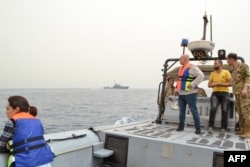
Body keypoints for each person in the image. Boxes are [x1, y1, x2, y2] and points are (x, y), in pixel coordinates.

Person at [0, 96, 54, 167]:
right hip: (44, 161)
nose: (6, 112)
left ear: (16, 109)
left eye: (8, 109)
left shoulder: (12, 122)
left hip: (25, 163)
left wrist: (9, 146)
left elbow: (1, 146)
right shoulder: (37, 121)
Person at [175, 54, 204, 134]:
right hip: (181, 93)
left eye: (180, 58)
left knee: (194, 111)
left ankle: (198, 128)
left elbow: (201, 76)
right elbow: (180, 80)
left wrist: (193, 84)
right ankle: (181, 126)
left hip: (190, 93)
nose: (179, 60)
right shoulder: (181, 68)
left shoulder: (192, 67)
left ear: (184, 59)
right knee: (181, 111)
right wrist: (176, 89)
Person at [227, 53, 250, 138]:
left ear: (231, 59)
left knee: (246, 112)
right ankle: (243, 129)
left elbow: (248, 77)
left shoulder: (243, 66)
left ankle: (248, 131)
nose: (227, 61)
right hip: (237, 94)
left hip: (244, 93)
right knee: (240, 112)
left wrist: (245, 88)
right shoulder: (233, 70)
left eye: (227, 59)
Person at [207, 59, 232, 134]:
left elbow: (230, 83)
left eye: (215, 63)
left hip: (225, 93)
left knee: (224, 110)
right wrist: (215, 84)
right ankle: (211, 126)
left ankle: (223, 128)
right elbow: (209, 85)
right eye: (214, 63)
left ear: (220, 64)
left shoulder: (226, 72)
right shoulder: (212, 73)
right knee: (213, 109)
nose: (214, 64)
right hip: (215, 93)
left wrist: (220, 83)